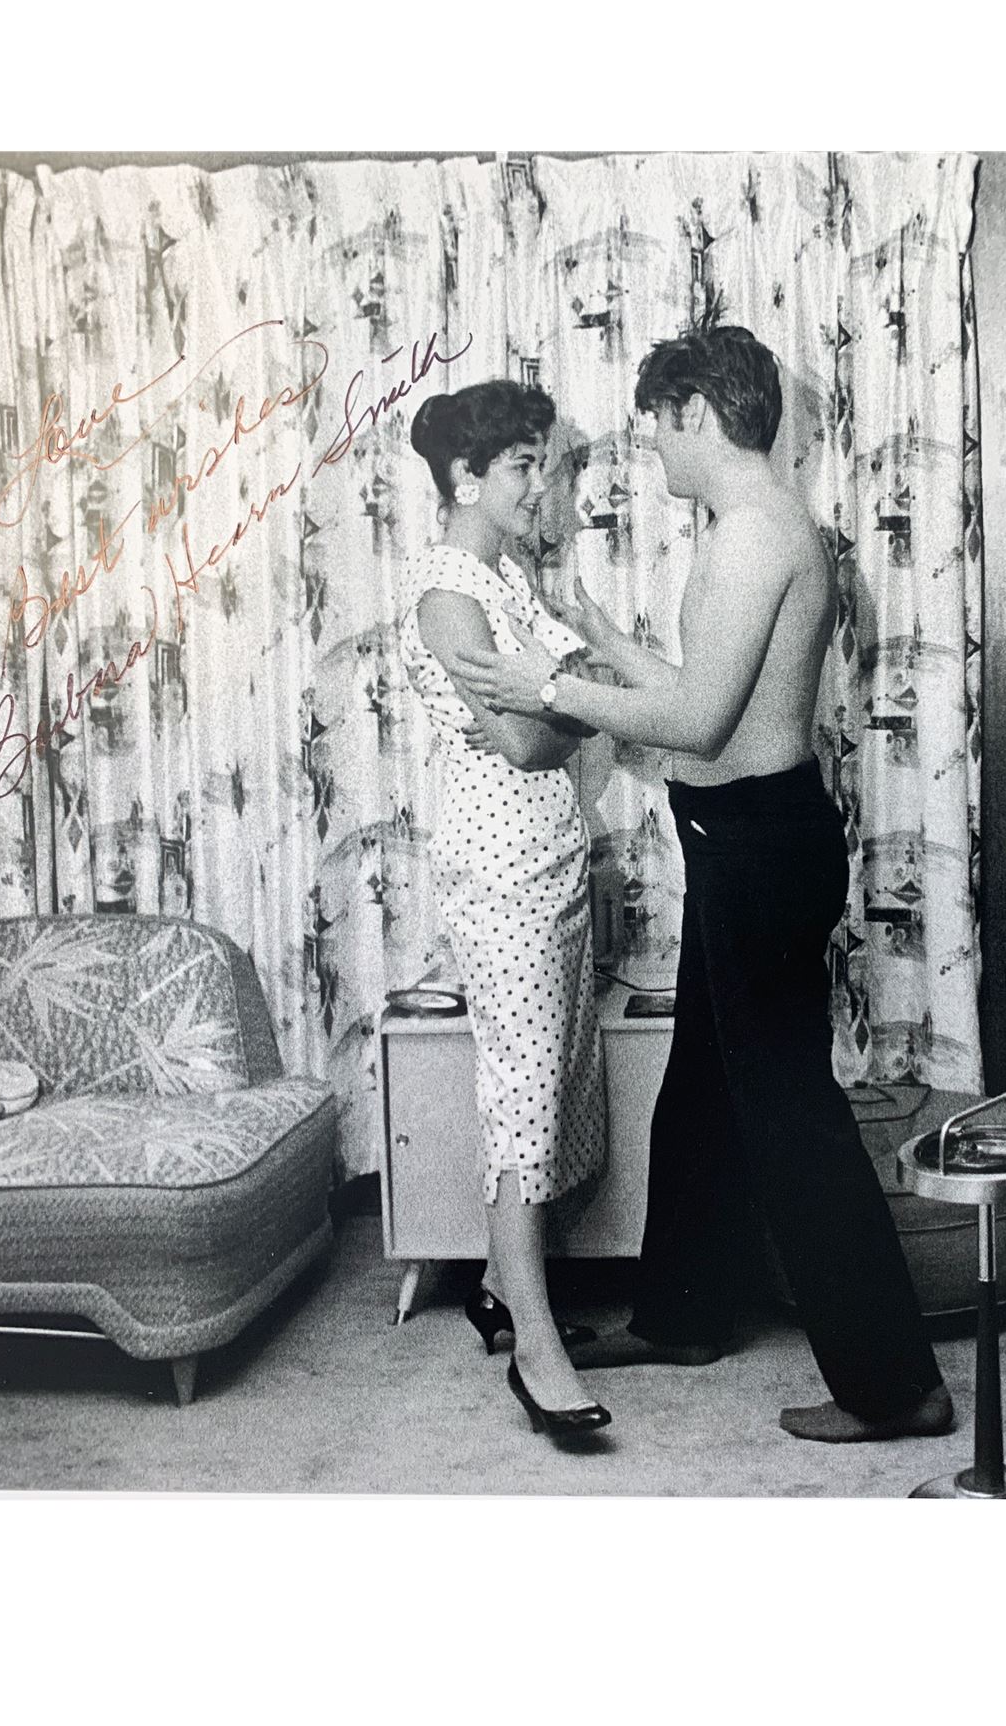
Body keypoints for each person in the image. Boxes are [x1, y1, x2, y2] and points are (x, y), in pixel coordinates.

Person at [449, 326, 953, 1444]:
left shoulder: (751, 538)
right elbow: (708, 687)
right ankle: (681, 1316)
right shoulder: (759, 526)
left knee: (792, 1116)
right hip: (745, 837)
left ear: (696, 414)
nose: (655, 454)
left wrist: (548, 687)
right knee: (704, 1093)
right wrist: (596, 635)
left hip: (761, 846)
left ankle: (894, 1386)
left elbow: (696, 720)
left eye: (657, 430)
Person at [400, 380, 612, 1438]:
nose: (542, 485)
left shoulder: (506, 577)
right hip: (500, 875)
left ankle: (496, 1283)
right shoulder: (450, 597)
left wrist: (565, 692)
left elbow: (553, 704)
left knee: (558, 1079)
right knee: (523, 1095)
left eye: (545, 463)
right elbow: (530, 739)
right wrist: (576, 699)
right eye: (524, 466)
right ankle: (536, 1345)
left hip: (552, 860)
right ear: (465, 477)